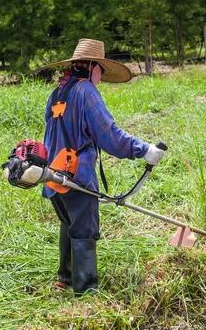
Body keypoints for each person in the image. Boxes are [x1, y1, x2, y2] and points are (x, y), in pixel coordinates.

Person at [39, 38, 165, 294]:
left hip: (53, 175)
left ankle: (65, 279)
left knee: (69, 223)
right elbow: (110, 136)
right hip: (77, 176)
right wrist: (145, 150)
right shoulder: (86, 91)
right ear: (91, 66)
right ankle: (86, 291)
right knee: (84, 231)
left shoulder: (57, 93)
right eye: (100, 71)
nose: (101, 76)